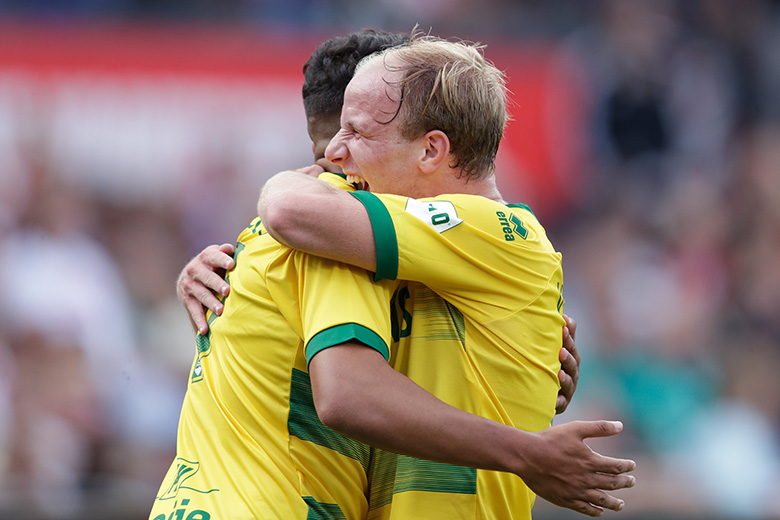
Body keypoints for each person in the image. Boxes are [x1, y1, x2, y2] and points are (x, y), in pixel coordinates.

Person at [159, 30, 634, 520]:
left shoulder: (489, 232)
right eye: (325, 150)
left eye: (357, 135)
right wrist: (525, 446)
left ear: (431, 150)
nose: (334, 163)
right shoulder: (356, 245)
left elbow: (351, 390)